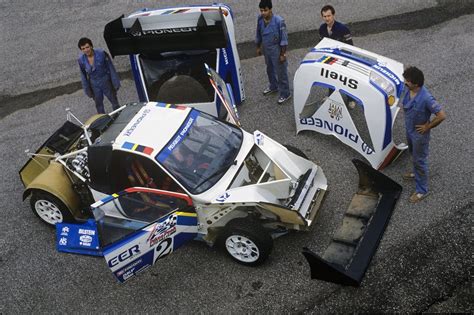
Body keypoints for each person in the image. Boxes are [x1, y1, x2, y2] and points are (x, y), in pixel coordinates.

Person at [402, 66, 446, 203]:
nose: (405, 82)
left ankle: (422, 190)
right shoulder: (409, 90)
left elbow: (441, 115)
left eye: (407, 81)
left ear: (415, 84)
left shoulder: (426, 98)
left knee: (419, 161)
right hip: (410, 130)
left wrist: (428, 126)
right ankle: (416, 173)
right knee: (412, 154)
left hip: (419, 136)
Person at [256, 0, 291, 104]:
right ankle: (273, 86)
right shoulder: (260, 19)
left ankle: (285, 93)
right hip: (267, 49)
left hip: (277, 50)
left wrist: (283, 54)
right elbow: (258, 33)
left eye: (265, 10)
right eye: (261, 10)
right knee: (269, 69)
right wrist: (258, 46)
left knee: (281, 72)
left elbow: (284, 39)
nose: (263, 13)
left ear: (270, 9)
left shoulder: (279, 21)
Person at [77, 37, 121, 114]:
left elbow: (111, 68)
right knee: (98, 104)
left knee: (114, 100)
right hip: (94, 84)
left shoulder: (102, 53)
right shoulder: (81, 60)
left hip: (105, 81)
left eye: (87, 47)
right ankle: (103, 119)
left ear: (91, 46)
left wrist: (115, 82)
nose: (86, 50)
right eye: (83, 49)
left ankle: (119, 115)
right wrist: (87, 89)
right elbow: (83, 75)